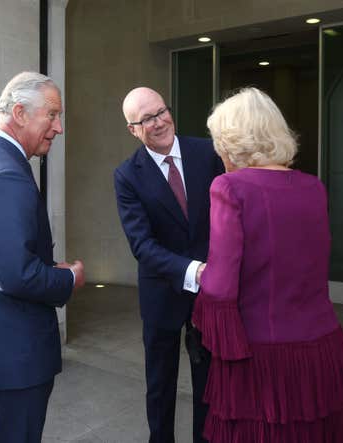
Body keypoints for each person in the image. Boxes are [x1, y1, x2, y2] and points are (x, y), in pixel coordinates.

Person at [192, 87, 343, 442]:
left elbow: (221, 286)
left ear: (229, 141)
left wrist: (200, 286)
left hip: (260, 355)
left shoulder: (228, 187)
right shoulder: (313, 187)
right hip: (323, 348)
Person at [0, 71, 85, 443]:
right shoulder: (5, 175)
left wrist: (43, 268)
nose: (58, 128)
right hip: (12, 357)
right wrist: (69, 279)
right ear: (21, 113)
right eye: (52, 115)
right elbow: (15, 275)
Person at [114, 87, 224, 443]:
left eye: (161, 112)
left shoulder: (207, 153)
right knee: (160, 387)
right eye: (146, 119)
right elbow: (142, 245)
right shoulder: (127, 175)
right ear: (133, 129)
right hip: (162, 294)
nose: (158, 122)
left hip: (211, 295)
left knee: (209, 384)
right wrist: (195, 270)